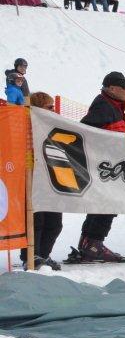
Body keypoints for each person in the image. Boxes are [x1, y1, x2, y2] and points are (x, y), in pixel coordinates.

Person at [75, 72, 125, 263]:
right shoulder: (103, 105)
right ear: (112, 88)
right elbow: (85, 129)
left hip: (110, 165)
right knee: (108, 204)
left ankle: (89, 243)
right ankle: (93, 244)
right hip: (104, 166)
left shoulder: (114, 106)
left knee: (104, 205)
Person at [20, 92, 64, 270]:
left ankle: (44, 255)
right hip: (31, 177)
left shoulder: (54, 124)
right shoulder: (25, 124)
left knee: (55, 222)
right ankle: (31, 257)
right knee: (36, 221)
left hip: (52, 177)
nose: (53, 110)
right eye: (49, 107)